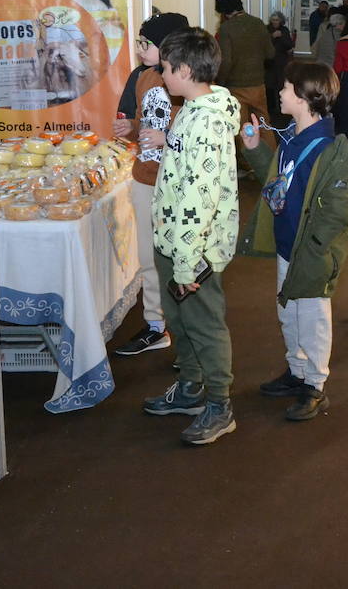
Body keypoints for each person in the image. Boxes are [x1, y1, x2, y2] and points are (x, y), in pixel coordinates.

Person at [240, 62, 348, 421]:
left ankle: (315, 384)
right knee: (288, 313)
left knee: (312, 318)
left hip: (310, 252)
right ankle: (296, 371)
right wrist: (254, 148)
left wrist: (313, 247)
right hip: (288, 246)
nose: (279, 93)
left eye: (284, 88)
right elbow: (278, 180)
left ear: (303, 96)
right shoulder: (293, 141)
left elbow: (341, 210)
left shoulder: (333, 151)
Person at [142, 27, 242, 446]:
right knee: (181, 321)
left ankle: (220, 405)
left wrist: (185, 262)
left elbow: (197, 201)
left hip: (192, 249)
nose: (162, 76)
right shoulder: (194, 109)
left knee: (204, 325)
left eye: (165, 69)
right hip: (175, 241)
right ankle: (191, 388)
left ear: (184, 70)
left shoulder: (204, 121)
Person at [112, 11, 188, 357]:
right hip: (145, 177)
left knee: (182, 260)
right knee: (148, 256)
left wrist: (167, 136)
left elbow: (201, 136)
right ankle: (156, 326)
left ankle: (188, 333)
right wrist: (131, 127)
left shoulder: (188, 81)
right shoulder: (141, 77)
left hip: (181, 184)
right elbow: (138, 117)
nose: (140, 49)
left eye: (147, 43)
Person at [214, 0, 274, 148]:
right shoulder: (258, 23)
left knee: (241, 127)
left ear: (224, 12)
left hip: (236, 87)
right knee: (263, 122)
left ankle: (247, 165)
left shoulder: (226, 28)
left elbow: (226, 61)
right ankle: (271, 158)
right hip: (258, 84)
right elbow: (270, 53)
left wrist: (220, 84)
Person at [265, 11, 295, 125]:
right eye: (273, 20)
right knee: (269, 84)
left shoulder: (284, 30)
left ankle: (280, 107)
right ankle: (271, 108)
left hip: (281, 61)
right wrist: (272, 37)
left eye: (277, 20)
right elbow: (264, 43)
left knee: (280, 84)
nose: (275, 22)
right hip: (269, 62)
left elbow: (289, 45)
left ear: (281, 21)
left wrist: (281, 37)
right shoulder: (266, 29)